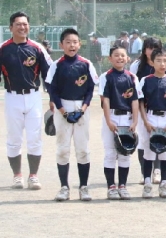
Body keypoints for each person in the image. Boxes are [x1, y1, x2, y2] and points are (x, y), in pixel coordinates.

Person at [0, 11, 53, 190]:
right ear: (11, 28)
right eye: (18, 24)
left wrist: (52, 97)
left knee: (34, 138)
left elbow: (49, 74)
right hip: (12, 97)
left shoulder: (37, 48)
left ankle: (33, 176)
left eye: (25, 24)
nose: (22, 27)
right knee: (14, 138)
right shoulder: (3, 49)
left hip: (33, 97)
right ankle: (17, 176)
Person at [45, 28, 99, 201]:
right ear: (61, 45)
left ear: (80, 44)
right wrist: (63, 111)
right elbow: (52, 90)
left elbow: (90, 89)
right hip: (63, 106)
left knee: (82, 149)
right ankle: (64, 187)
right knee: (63, 149)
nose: (71, 45)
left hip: (81, 107)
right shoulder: (57, 65)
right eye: (68, 42)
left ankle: (83, 187)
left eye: (75, 42)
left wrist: (83, 109)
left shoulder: (86, 64)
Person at [130, 37, 166, 185]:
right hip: (144, 109)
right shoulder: (137, 66)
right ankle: (144, 172)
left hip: (164, 110)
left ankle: (157, 171)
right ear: (144, 50)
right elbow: (133, 86)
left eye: (155, 48)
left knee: (161, 140)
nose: (152, 51)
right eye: (149, 48)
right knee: (144, 142)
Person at [99, 45, 142, 200]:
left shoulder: (132, 77)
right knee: (110, 153)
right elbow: (105, 100)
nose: (120, 58)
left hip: (127, 118)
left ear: (127, 58)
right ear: (110, 58)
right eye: (116, 55)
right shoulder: (106, 76)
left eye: (123, 55)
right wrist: (108, 121)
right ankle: (111, 187)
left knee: (125, 153)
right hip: (112, 116)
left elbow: (135, 100)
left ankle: (122, 186)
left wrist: (135, 121)